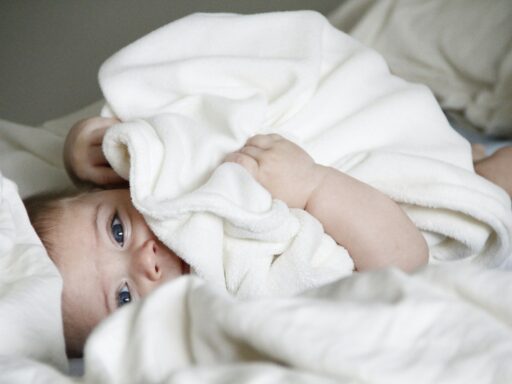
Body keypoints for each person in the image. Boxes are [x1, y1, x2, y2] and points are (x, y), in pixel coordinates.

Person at [24, 116, 512, 356]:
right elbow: (405, 263)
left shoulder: (172, 178)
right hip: (402, 214)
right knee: (490, 183)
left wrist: (85, 146)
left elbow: (165, 125)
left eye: (116, 229)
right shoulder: (238, 296)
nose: (145, 261)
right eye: (125, 296)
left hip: (378, 150)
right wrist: (313, 185)